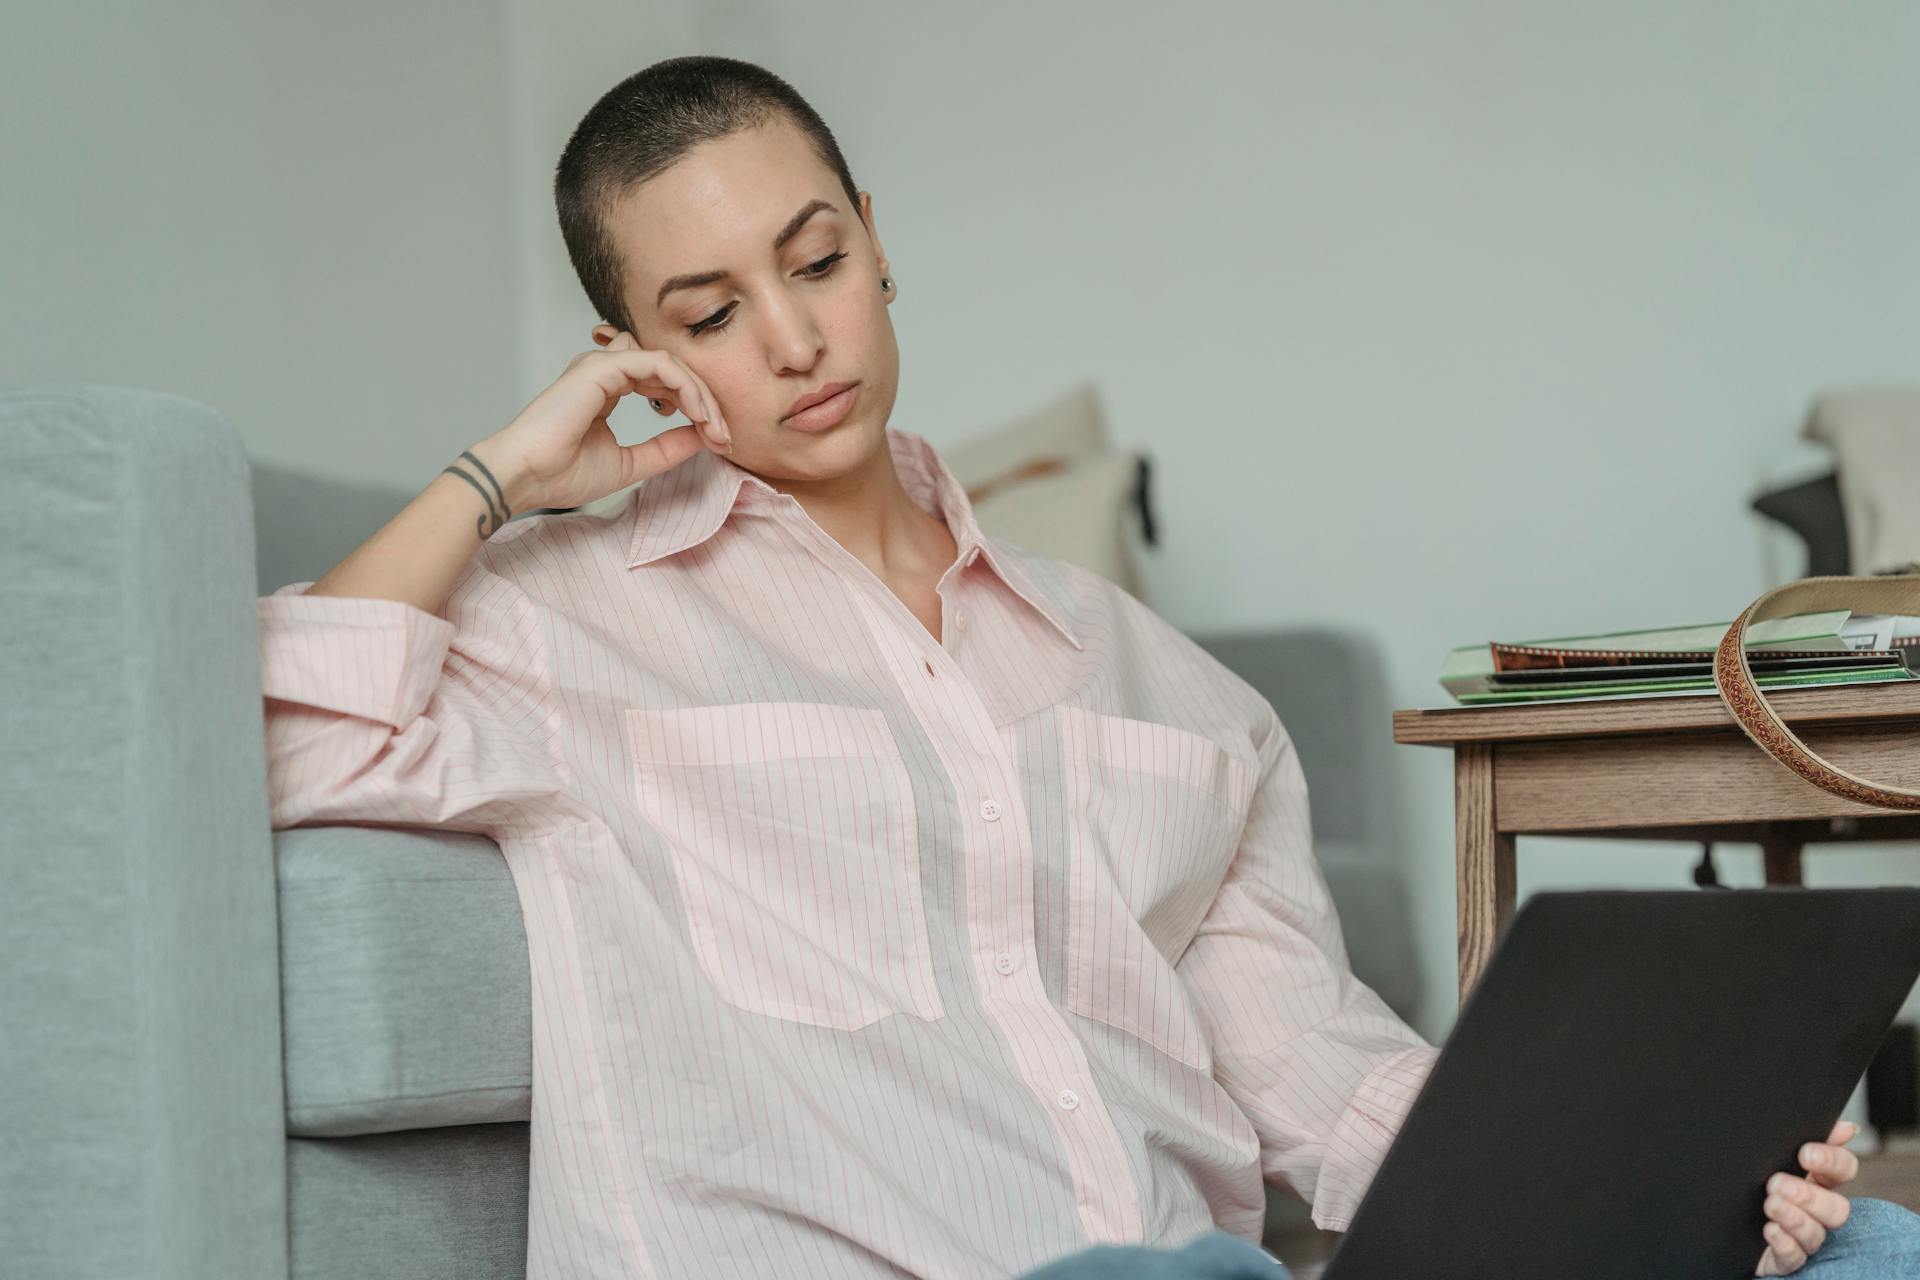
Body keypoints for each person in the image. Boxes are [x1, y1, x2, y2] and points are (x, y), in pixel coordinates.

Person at [255, 54, 1920, 1279]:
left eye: (817, 260)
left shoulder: (1166, 688)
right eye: (707, 312)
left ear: (879, 245)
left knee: (1856, 1256)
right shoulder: (558, 624)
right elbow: (265, 744)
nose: (793, 339)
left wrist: (1662, 1177)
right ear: (626, 356)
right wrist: (496, 484)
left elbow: (1324, 1086)